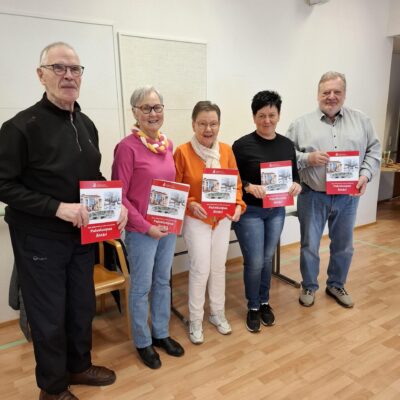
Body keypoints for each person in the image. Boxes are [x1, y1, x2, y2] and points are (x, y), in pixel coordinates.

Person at [0, 42, 127, 400]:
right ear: (41, 75)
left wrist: (115, 204)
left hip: (81, 236)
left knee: (81, 306)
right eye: (59, 68)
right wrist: (57, 208)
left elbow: (92, 175)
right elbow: (4, 184)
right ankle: (53, 389)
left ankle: (78, 366)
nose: (68, 75)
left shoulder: (85, 124)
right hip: (39, 239)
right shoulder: (20, 127)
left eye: (75, 69)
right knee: (49, 316)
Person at [286, 71, 381, 308]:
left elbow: (374, 150)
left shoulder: (362, 121)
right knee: (310, 245)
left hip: (348, 197)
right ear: (318, 94)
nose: (331, 96)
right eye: (326, 92)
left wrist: (365, 175)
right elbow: (285, 156)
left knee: (344, 245)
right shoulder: (300, 124)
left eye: (336, 92)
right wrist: (307, 158)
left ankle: (336, 284)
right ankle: (309, 285)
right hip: (312, 195)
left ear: (344, 94)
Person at [112, 86, 184, 369]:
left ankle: (161, 333)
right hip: (142, 231)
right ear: (135, 112)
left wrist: (174, 216)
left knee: (163, 282)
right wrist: (146, 227)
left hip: (167, 228)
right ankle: (143, 341)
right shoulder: (126, 148)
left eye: (157, 107)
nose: (153, 113)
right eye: (146, 108)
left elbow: (171, 186)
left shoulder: (168, 145)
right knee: (142, 287)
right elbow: (120, 196)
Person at [174, 101, 246, 344]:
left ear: (219, 125)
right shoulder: (182, 152)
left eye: (213, 124)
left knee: (218, 267)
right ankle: (195, 319)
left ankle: (217, 313)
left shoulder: (226, 151)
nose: (208, 129)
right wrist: (189, 203)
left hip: (222, 219)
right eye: (202, 123)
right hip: (197, 218)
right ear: (193, 124)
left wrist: (238, 205)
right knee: (200, 269)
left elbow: (236, 184)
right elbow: (176, 188)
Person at [232, 91, 301, 333]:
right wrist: (248, 186)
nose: (267, 120)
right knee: (254, 261)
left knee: (266, 258)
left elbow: (295, 176)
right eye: (261, 115)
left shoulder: (286, 145)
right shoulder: (241, 145)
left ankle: (264, 301)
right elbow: (233, 180)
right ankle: (252, 306)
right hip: (250, 211)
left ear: (278, 115)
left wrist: (297, 185)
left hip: (276, 211)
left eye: (272, 115)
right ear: (254, 117)